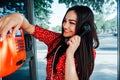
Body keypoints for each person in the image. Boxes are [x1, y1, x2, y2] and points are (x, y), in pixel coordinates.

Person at [0, 5, 99, 80]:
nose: (65, 26)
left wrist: (70, 54)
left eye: (71, 23)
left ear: (84, 28)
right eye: (64, 21)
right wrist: (19, 17)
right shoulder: (55, 39)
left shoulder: (89, 52)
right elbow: (29, 28)